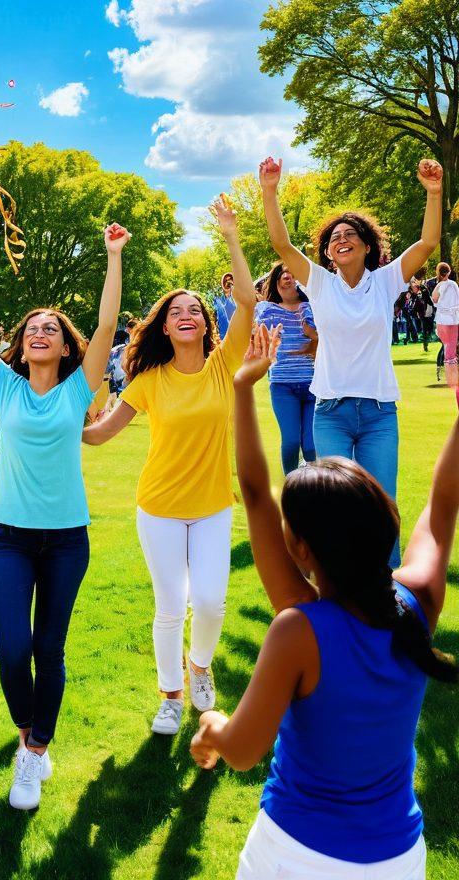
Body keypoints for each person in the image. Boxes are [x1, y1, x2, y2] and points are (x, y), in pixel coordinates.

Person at [190, 324, 459, 880]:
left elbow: (242, 751)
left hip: (297, 856)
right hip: (399, 860)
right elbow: (444, 502)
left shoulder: (298, 629)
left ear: (303, 550)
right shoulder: (418, 601)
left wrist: (212, 724)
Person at [0, 219, 130, 811]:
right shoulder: (6, 387)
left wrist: (113, 256)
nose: (40, 333)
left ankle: (36, 749)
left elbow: (107, 326)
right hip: (11, 539)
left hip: (67, 540)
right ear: (20, 345)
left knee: (49, 648)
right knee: (13, 649)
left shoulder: (78, 390)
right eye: (32, 328)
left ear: (66, 348)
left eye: (51, 329)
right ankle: (27, 732)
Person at [82, 196, 254, 734]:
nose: (185, 315)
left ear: (205, 324)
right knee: (170, 606)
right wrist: (56, 429)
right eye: (175, 311)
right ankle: (171, 695)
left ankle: (199, 667)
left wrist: (231, 234)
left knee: (210, 601)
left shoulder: (223, 364)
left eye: (193, 310)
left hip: (212, 506)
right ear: (164, 326)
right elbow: (102, 433)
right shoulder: (150, 379)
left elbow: (248, 299)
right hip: (158, 507)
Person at [259, 155, 443, 566]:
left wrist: (434, 193)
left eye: (350, 234)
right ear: (328, 252)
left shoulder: (386, 281)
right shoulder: (321, 283)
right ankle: (338, 585)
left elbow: (428, 243)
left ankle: (388, 586)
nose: (342, 239)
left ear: (366, 245)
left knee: (382, 503)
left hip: (379, 414)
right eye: (334, 237)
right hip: (331, 413)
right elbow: (282, 245)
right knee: (335, 507)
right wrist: (270, 191)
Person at [255, 262, 317, 475]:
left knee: (310, 446)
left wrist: (310, 330)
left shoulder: (312, 306)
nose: (287, 277)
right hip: (283, 385)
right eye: (282, 274)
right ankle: (291, 484)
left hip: (313, 385)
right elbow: (258, 336)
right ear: (276, 282)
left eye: (292, 272)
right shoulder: (268, 310)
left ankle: (314, 486)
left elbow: (322, 337)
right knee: (291, 442)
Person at [432, 262, 459, 404]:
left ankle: (448, 373)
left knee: (447, 347)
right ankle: (451, 375)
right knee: (450, 349)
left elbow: (434, 299)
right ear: (448, 272)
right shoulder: (453, 285)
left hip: (442, 320)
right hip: (452, 320)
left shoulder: (439, 286)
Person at [407, 277, 435, 352]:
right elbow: (413, 302)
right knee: (424, 328)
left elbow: (428, 298)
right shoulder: (413, 292)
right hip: (422, 313)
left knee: (430, 327)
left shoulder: (424, 289)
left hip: (429, 310)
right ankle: (425, 343)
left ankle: (428, 337)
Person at [212, 272, 236, 340]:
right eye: (226, 281)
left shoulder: (240, 297)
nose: (228, 282)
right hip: (227, 336)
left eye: (230, 279)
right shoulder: (219, 301)